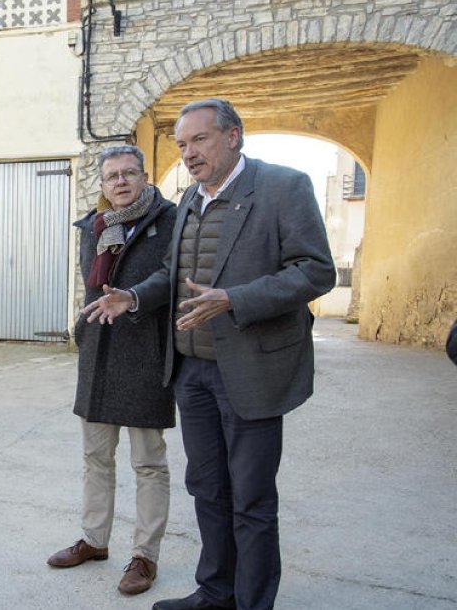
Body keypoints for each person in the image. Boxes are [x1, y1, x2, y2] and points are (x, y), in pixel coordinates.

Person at [83, 98, 335, 610]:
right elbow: (173, 275)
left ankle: (252, 602)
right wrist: (132, 297)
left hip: (250, 370)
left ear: (233, 136)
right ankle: (216, 590)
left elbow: (315, 270)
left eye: (199, 140)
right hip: (192, 371)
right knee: (207, 489)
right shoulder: (189, 201)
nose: (190, 153)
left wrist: (236, 299)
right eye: (181, 144)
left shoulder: (283, 187)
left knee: (252, 499)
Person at [47, 146, 176, 596]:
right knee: (96, 458)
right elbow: (88, 284)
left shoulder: (170, 221)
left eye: (128, 174)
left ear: (144, 177)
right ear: (101, 185)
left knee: (148, 462)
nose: (120, 182)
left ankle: (145, 556)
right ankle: (94, 540)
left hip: (144, 353)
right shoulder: (96, 226)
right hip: (99, 353)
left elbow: (172, 279)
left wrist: (134, 297)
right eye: (111, 176)